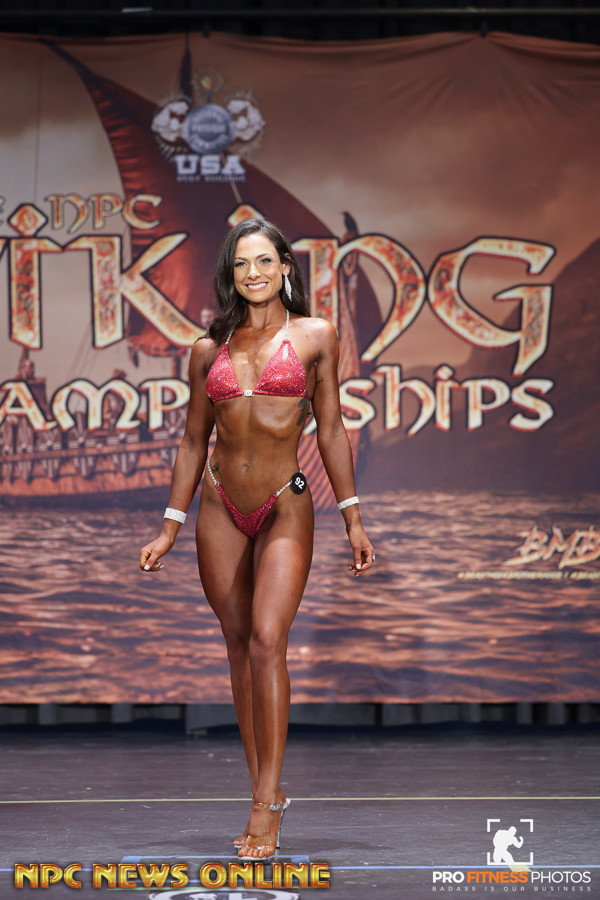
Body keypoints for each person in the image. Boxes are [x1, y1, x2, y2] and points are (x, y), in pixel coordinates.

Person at [140, 218, 374, 860]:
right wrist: (169, 526)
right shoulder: (206, 348)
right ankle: (261, 788)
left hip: (284, 506)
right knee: (240, 649)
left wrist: (353, 517)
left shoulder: (315, 335)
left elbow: (331, 429)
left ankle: (266, 805)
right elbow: (193, 441)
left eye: (265, 261)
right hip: (219, 506)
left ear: (285, 267)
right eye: (242, 264)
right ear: (231, 274)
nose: (254, 273)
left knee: (269, 640)